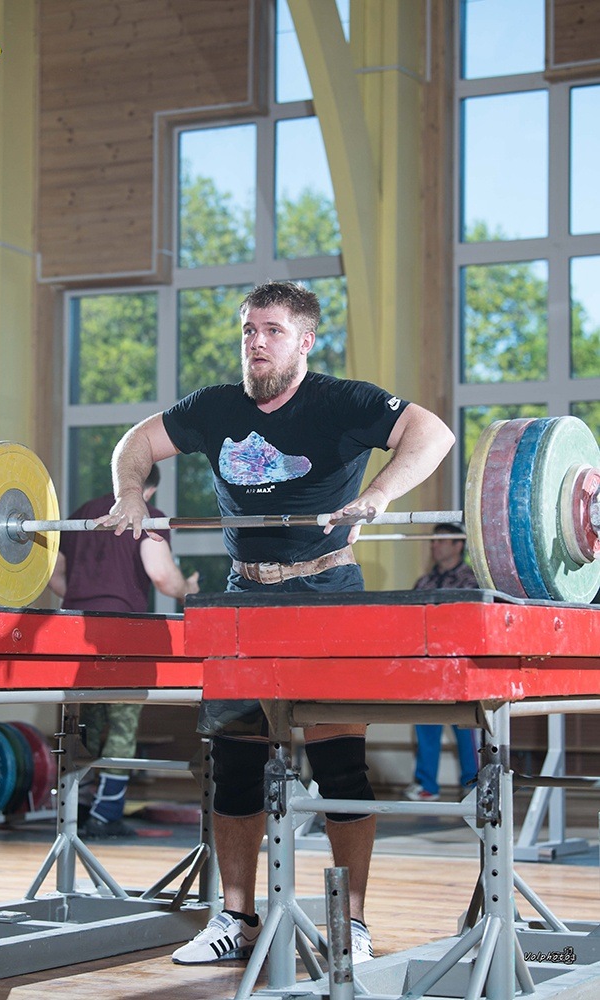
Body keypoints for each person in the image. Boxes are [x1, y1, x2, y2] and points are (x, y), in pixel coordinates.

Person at [99, 280, 455, 962]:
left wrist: (380, 492)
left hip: (325, 594)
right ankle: (236, 919)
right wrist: (129, 494)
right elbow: (135, 443)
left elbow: (431, 432)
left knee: (338, 767)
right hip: (245, 599)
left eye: (272, 331)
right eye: (248, 330)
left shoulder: (341, 401)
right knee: (234, 761)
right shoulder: (213, 408)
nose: (256, 343)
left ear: (304, 341)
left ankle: (351, 923)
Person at [48, 464, 199, 838]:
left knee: (86, 719)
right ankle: (106, 813)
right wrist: (189, 591)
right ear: (151, 490)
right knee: (123, 719)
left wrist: (84, 595)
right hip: (121, 630)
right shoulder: (149, 515)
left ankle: (77, 808)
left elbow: (53, 573)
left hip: (75, 628)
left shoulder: (84, 512)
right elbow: (162, 576)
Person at [404, 523, 479, 803]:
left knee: (467, 728)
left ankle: (473, 784)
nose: (435, 545)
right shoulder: (424, 582)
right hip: (427, 668)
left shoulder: (472, 581)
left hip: (460, 668)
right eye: (433, 541)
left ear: (458, 544)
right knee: (426, 726)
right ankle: (427, 786)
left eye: (441, 540)